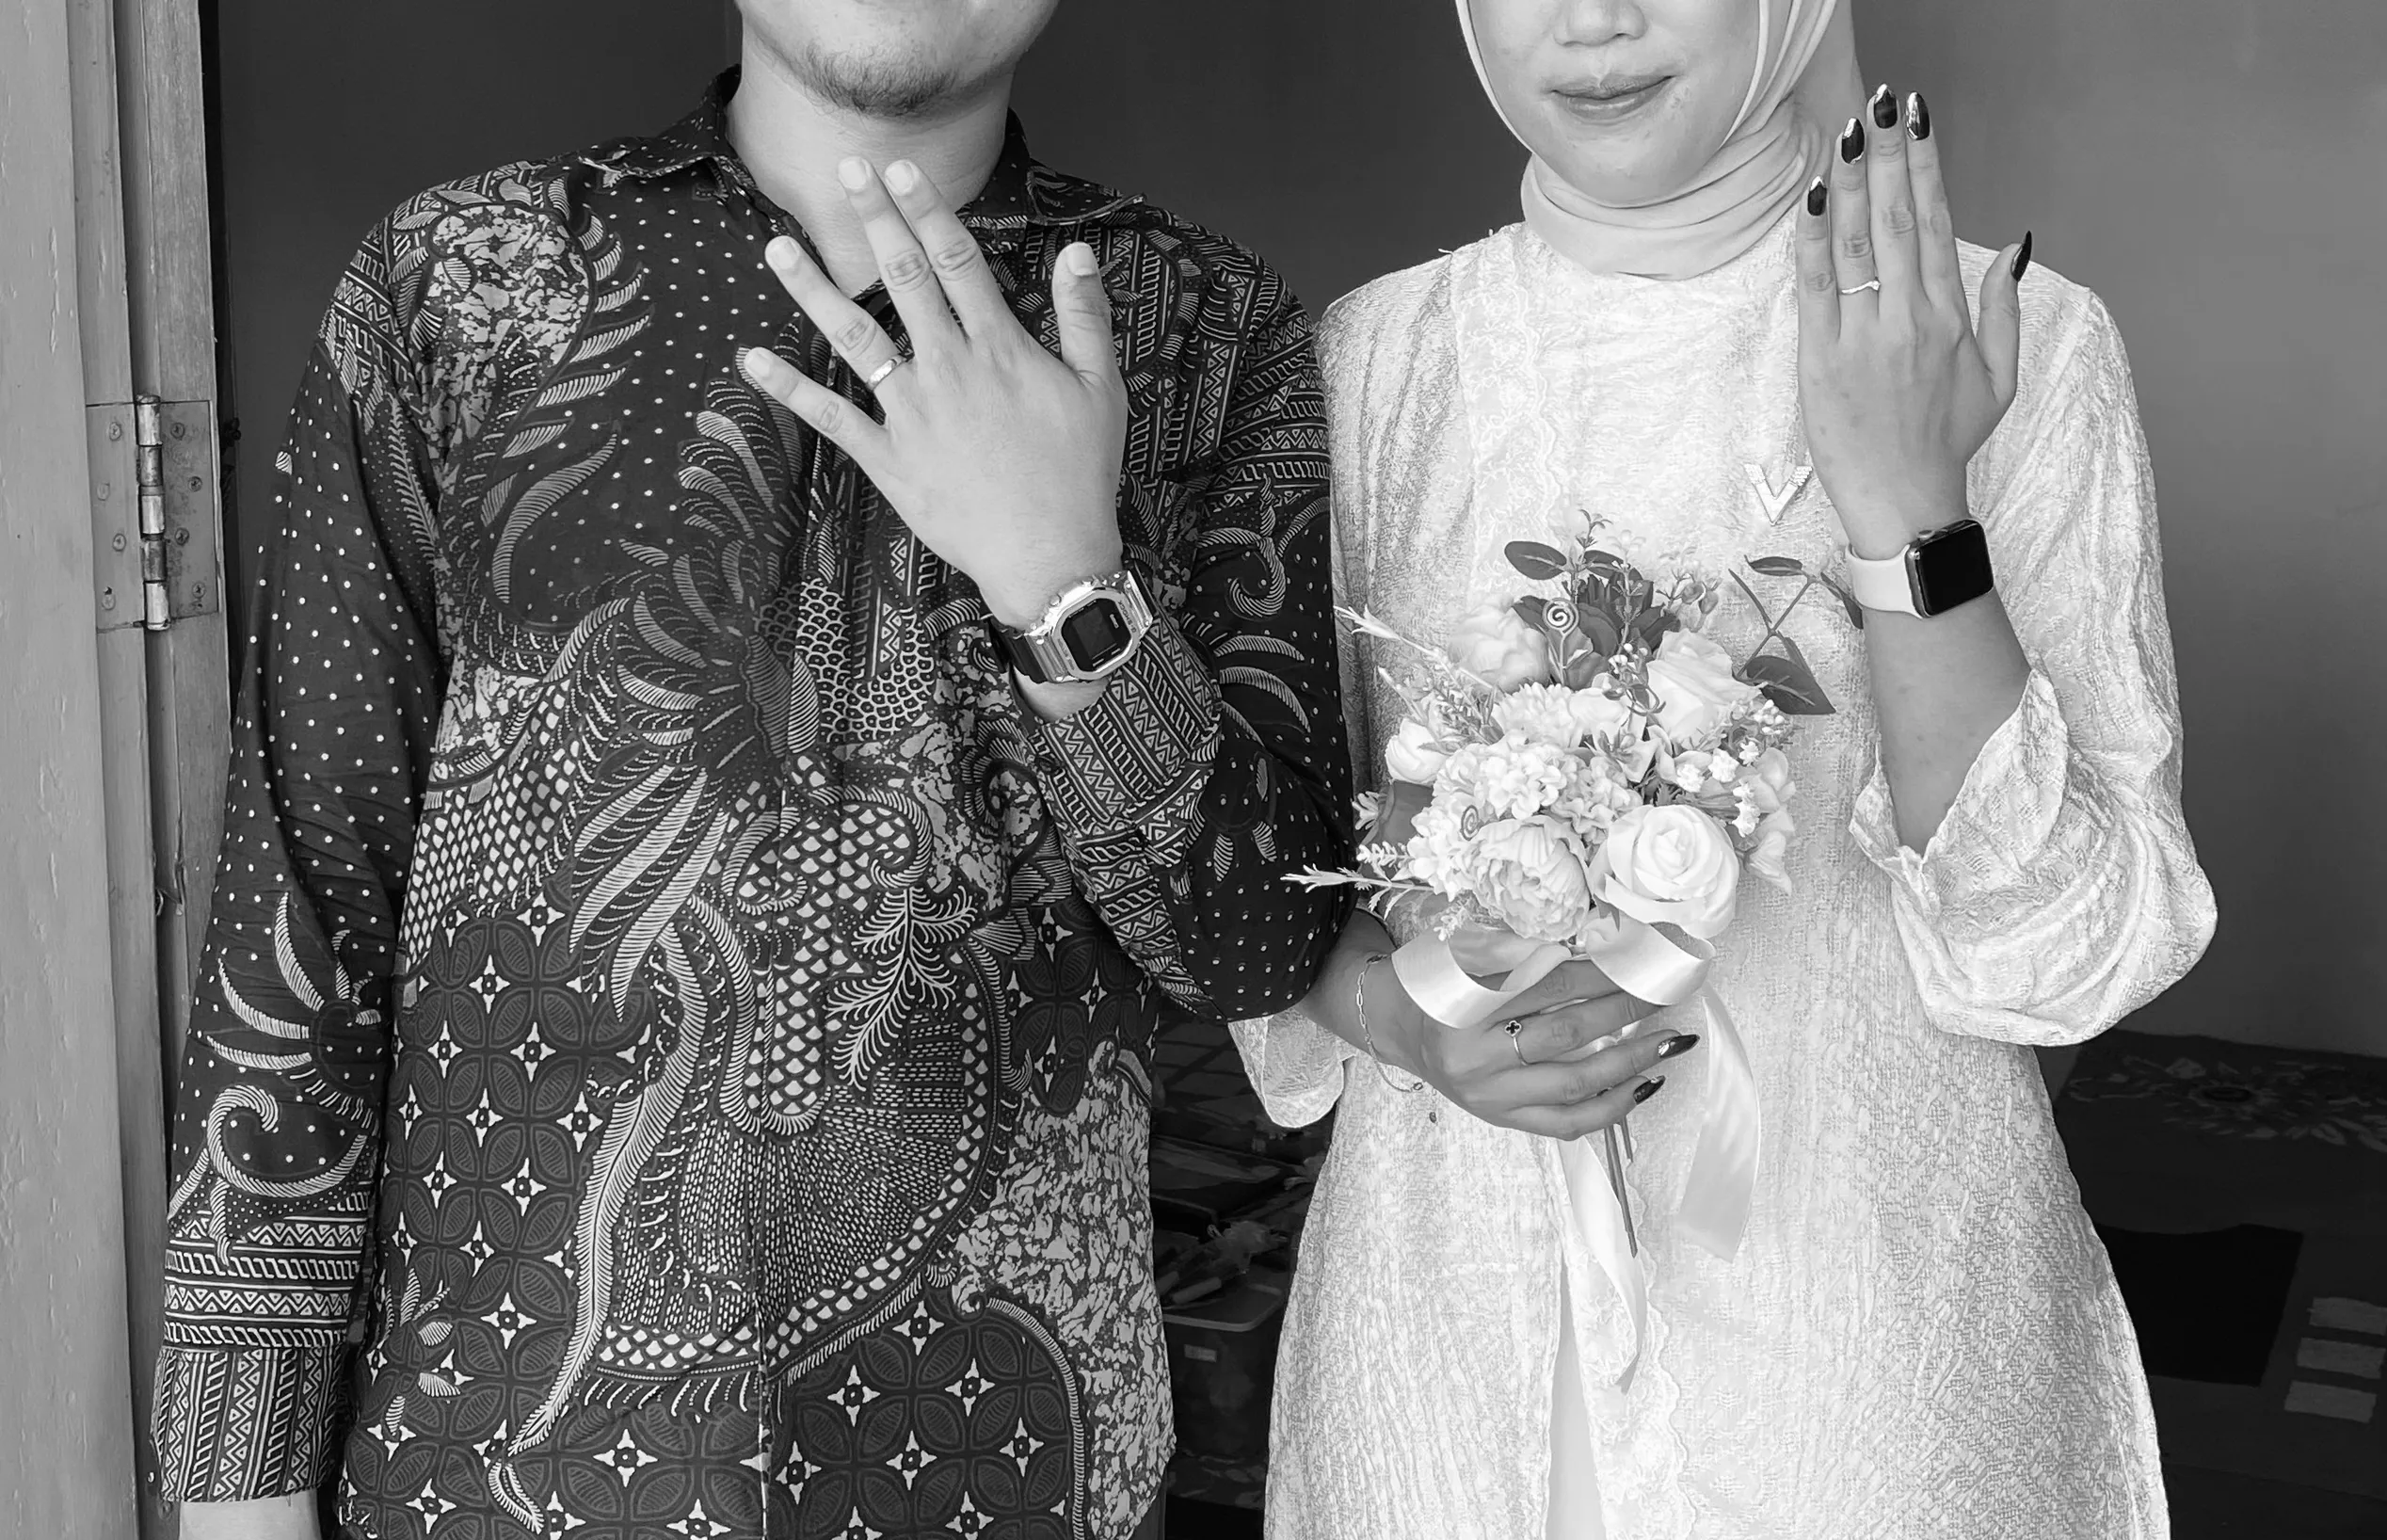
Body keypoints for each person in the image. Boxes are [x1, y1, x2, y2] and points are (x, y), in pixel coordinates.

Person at [156, 5, 1352, 1536]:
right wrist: (239, 1480)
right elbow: (306, 898)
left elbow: (1258, 950)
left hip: (1010, 1461)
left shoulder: (1205, 330)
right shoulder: (459, 285)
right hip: (498, 1463)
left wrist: (1067, 582)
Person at [1233, 1, 2217, 1535]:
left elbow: (2064, 958)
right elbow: (1260, 888)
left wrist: (1909, 509)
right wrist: (1408, 1023)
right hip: (1452, 1330)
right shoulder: (1368, 365)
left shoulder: (2006, 342)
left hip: (1860, 1366)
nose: (1593, 21)